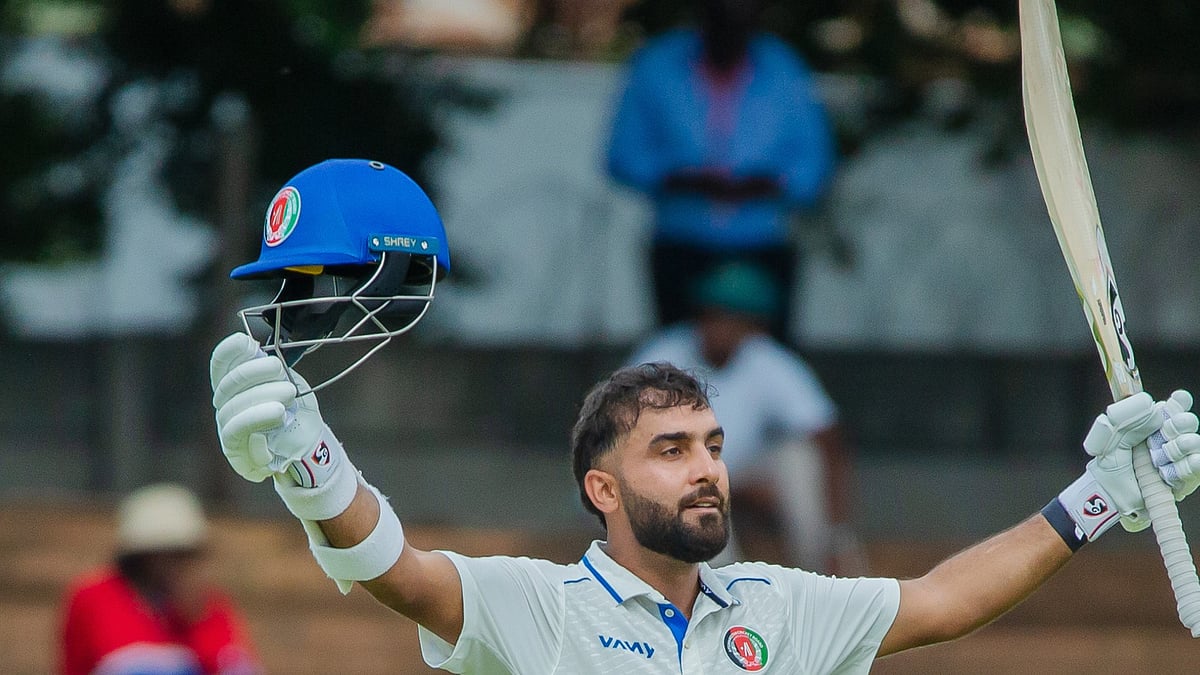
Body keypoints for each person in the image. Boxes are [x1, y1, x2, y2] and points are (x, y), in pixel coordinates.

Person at [208, 158, 1200, 673]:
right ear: (602, 488)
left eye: (715, 447)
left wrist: (1101, 496)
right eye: (672, 450)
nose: (708, 469)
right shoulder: (542, 612)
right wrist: (310, 465)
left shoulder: (778, 609)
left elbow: (946, 600)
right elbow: (400, 577)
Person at [605, 0, 838, 338]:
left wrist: (770, 185)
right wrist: (677, 178)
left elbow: (814, 163)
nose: (732, 19)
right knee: (677, 365)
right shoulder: (657, 64)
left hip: (761, 245)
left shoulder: (784, 69)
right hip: (681, 244)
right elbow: (622, 155)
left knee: (764, 362)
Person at [628, 260, 864, 574]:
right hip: (670, 479)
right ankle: (722, 598)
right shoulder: (663, 356)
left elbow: (827, 438)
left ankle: (825, 569)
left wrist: (835, 529)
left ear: (753, 325)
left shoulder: (766, 359)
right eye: (712, 315)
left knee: (798, 457)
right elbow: (622, 436)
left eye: (732, 318)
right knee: (702, 503)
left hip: (736, 472)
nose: (719, 328)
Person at [59, 483, 261, 675]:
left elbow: (234, 665)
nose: (182, 566)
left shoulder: (208, 605)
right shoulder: (97, 596)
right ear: (145, 557)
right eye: (173, 554)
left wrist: (196, 621)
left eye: (188, 555)